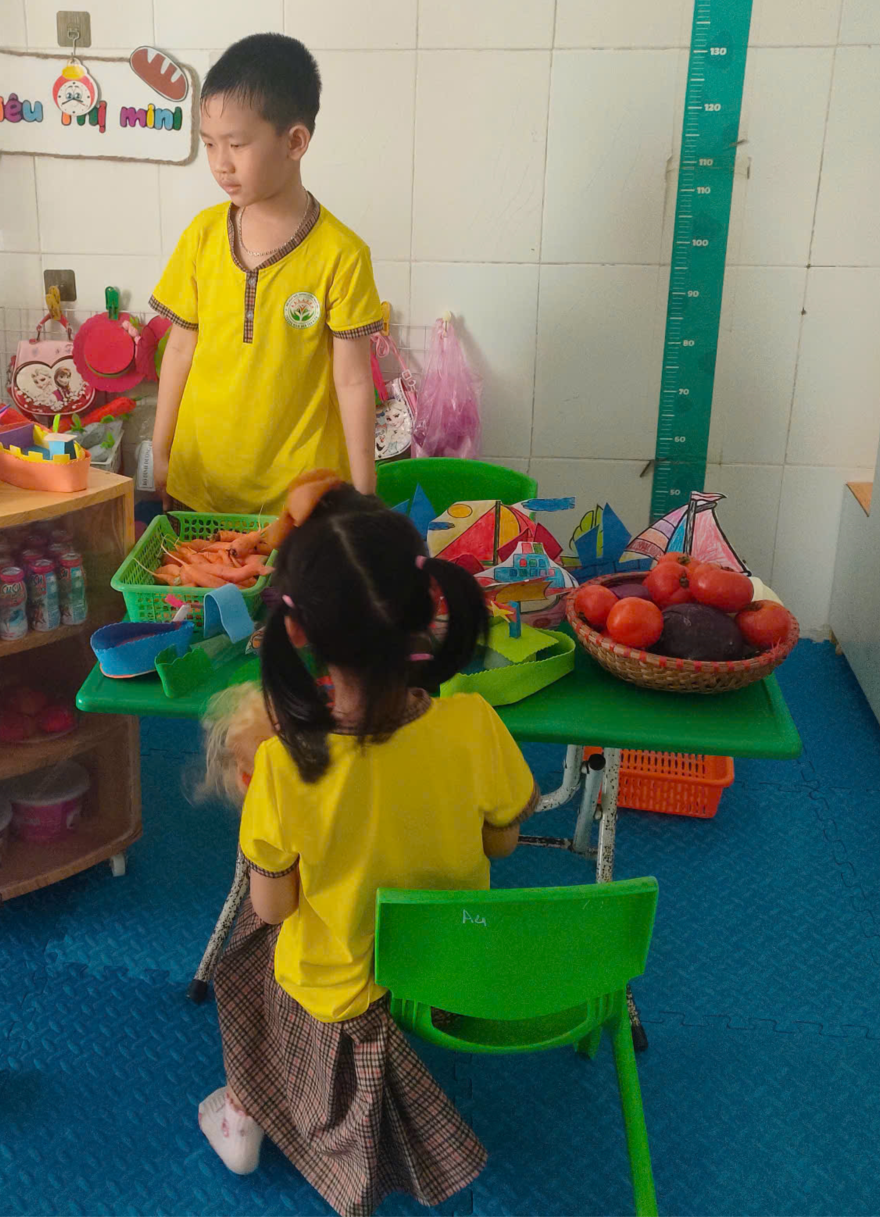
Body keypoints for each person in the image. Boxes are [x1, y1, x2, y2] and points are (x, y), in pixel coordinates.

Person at [200, 479, 539, 1214]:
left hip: (342, 987)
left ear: (296, 631)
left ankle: (242, 1112)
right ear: (427, 605)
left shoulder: (285, 766)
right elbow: (506, 842)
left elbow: (276, 906)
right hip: (449, 962)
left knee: (245, 956)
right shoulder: (474, 722)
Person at [150, 34, 384, 516]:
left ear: (294, 142)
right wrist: (160, 449)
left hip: (301, 500)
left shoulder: (342, 255)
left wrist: (364, 494)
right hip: (201, 485)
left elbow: (353, 381)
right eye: (209, 144)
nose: (220, 164)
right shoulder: (201, 237)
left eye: (236, 144)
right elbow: (178, 350)